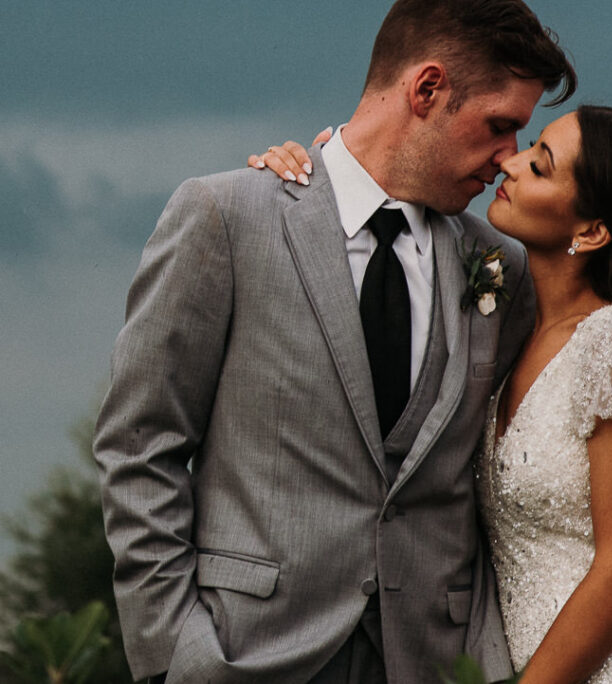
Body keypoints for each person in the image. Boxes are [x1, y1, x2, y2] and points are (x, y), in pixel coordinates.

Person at [92, 1, 576, 682]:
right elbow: (141, 445)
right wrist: (175, 652)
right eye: (501, 127)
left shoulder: (503, 265)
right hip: (249, 654)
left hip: (433, 661)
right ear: (427, 89)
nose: (509, 159)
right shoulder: (228, 219)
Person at [259, 105, 612, 682]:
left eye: (540, 166)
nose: (509, 164)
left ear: (591, 231)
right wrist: (327, 177)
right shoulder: (512, 319)